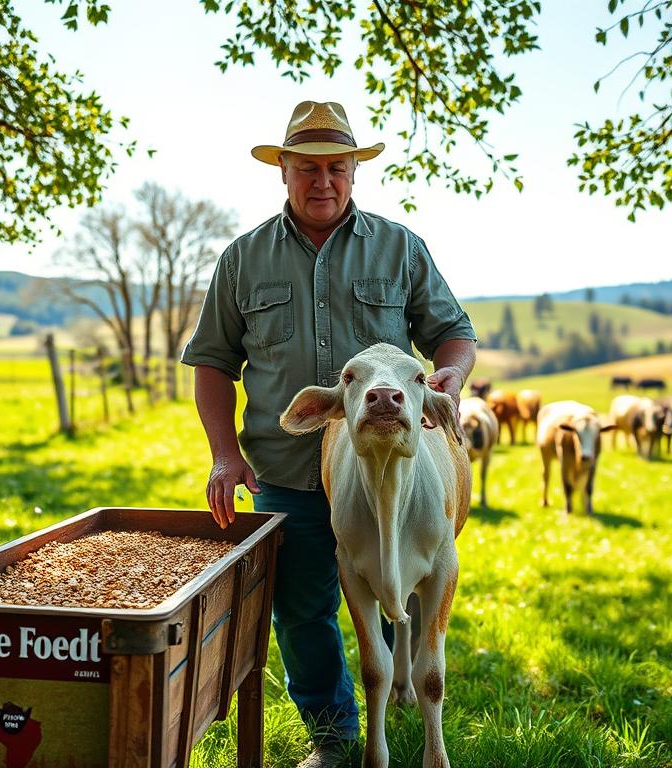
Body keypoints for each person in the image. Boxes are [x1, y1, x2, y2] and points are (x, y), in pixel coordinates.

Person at [180, 100, 476, 768]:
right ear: (282, 171)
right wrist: (225, 455)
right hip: (287, 470)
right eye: (307, 168)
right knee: (301, 610)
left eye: (336, 168)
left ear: (353, 172)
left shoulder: (400, 248)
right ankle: (336, 735)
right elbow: (211, 363)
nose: (323, 182)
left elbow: (454, 335)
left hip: (395, 468)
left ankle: (408, 678)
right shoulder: (243, 258)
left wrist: (450, 380)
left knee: (411, 584)